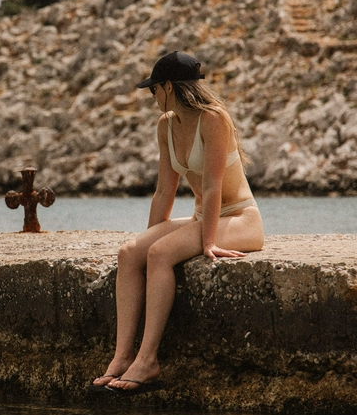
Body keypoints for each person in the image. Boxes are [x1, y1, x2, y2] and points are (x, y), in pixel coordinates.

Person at [92, 51, 264, 395]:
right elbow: (163, 192)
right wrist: (148, 237)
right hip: (206, 216)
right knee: (130, 253)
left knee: (161, 255)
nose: (151, 96)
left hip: (240, 217)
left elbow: (214, 185)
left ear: (168, 86)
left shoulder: (214, 118)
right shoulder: (166, 125)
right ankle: (122, 356)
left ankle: (148, 359)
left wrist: (208, 243)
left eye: (153, 89)